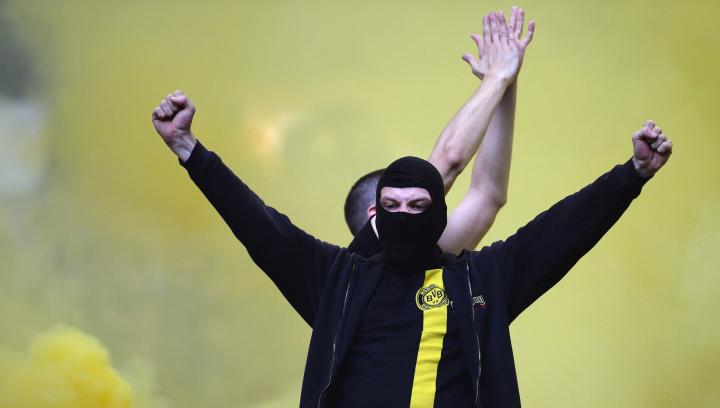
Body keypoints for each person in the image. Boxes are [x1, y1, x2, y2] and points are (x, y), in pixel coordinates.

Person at [150, 11, 673, 408]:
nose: (407, 214)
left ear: (438, 212)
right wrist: (190, 150)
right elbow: (258, 224)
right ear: (374, 218)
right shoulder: (336, 279)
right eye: (393, 205)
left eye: (420, 205)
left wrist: (630, 174)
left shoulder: (477, 279)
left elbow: (555, 227)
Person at [346, 7, 534, 258]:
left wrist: (506, 83)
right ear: (375, 215)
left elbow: (487, 194)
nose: (421, 204)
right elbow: (450, 161)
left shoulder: (428, 252)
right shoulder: (354, 269)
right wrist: (496, 78)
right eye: (397, 202)